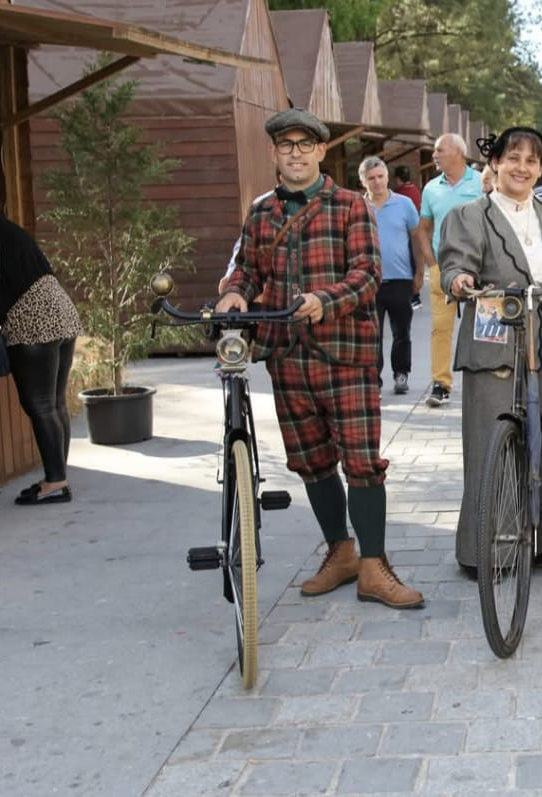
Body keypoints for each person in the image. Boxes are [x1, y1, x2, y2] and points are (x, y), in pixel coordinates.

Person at [215, 108, 423, 609]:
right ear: (274, 152)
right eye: (286, 145)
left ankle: (374, 566)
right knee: (311, 461)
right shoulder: (261, 212)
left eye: (305, 144)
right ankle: (340, 552)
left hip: (346, 353)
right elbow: (247, 269)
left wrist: (322, 301)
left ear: (321, 151)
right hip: (286, 353)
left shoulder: (351, 205)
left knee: (362, 462)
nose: (295, 153)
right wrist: (235, 292)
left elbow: (367, 275)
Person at [440, 126, 542, 577]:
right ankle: (489, 547)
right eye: (513, 158)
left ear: (540, 168)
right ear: (495, 163)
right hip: (493, 335)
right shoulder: (469, 216)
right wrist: (460, 279)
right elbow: (454, 264)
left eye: (531, 160)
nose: (522, 168)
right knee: (492, 439)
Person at [0, 211, 82, 506]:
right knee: (55, 402)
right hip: (61, 310)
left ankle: (56, 481)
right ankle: (57, 477)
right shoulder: (10, 230)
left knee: (41, 404)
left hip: (32, 317)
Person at [417, 133, 483, 408]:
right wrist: (431, 263)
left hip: (480, 268)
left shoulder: (481, 182)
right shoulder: (431, 189)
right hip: (442, 269)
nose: (434, 155)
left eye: (439, 150)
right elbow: (423, 229)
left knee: (484, 326)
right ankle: (441, 383)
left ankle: (485, 379)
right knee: (440, 328)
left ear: (458, 152)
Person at [359, 156, 423, 396]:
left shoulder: (404, 204)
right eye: (371, 178)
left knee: (402, 332)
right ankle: (373, 380)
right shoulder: (357, 206)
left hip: (401, 280)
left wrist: (419, 272)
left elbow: (416, 239)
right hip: (368, 282)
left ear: (387, 177)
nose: (377, 182)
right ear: (363, 181)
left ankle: (401, 373)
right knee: (371, 335)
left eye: (380, 176)